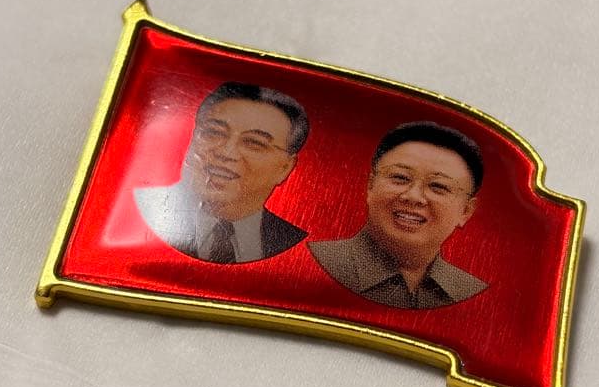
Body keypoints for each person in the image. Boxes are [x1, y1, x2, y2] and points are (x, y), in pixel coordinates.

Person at [308, 121, 487, 309]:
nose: (413, 197)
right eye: (400, 178)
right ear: (370, 186)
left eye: (438, 186)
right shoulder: (314, 263)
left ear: (465, 211)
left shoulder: (472, 295)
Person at [134, 82, 309, 263]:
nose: (226, 153)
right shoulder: (138, 210)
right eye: (214, 133)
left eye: (254, 143)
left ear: (284, 168)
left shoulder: (295, 244)